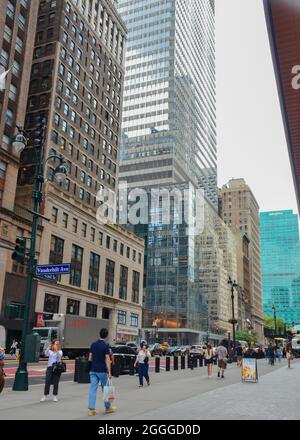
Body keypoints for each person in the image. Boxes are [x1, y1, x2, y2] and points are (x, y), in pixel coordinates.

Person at [88, 328, 116, 416]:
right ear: (106, 336)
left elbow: (90, 358)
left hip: (93, 370)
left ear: (99, 334)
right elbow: (107, 359)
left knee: (93, 389)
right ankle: (107, 407)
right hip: (102, 370)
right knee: (105, 389)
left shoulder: (93, 344)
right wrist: (110, 372)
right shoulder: (105, 345)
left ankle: (91, 409)